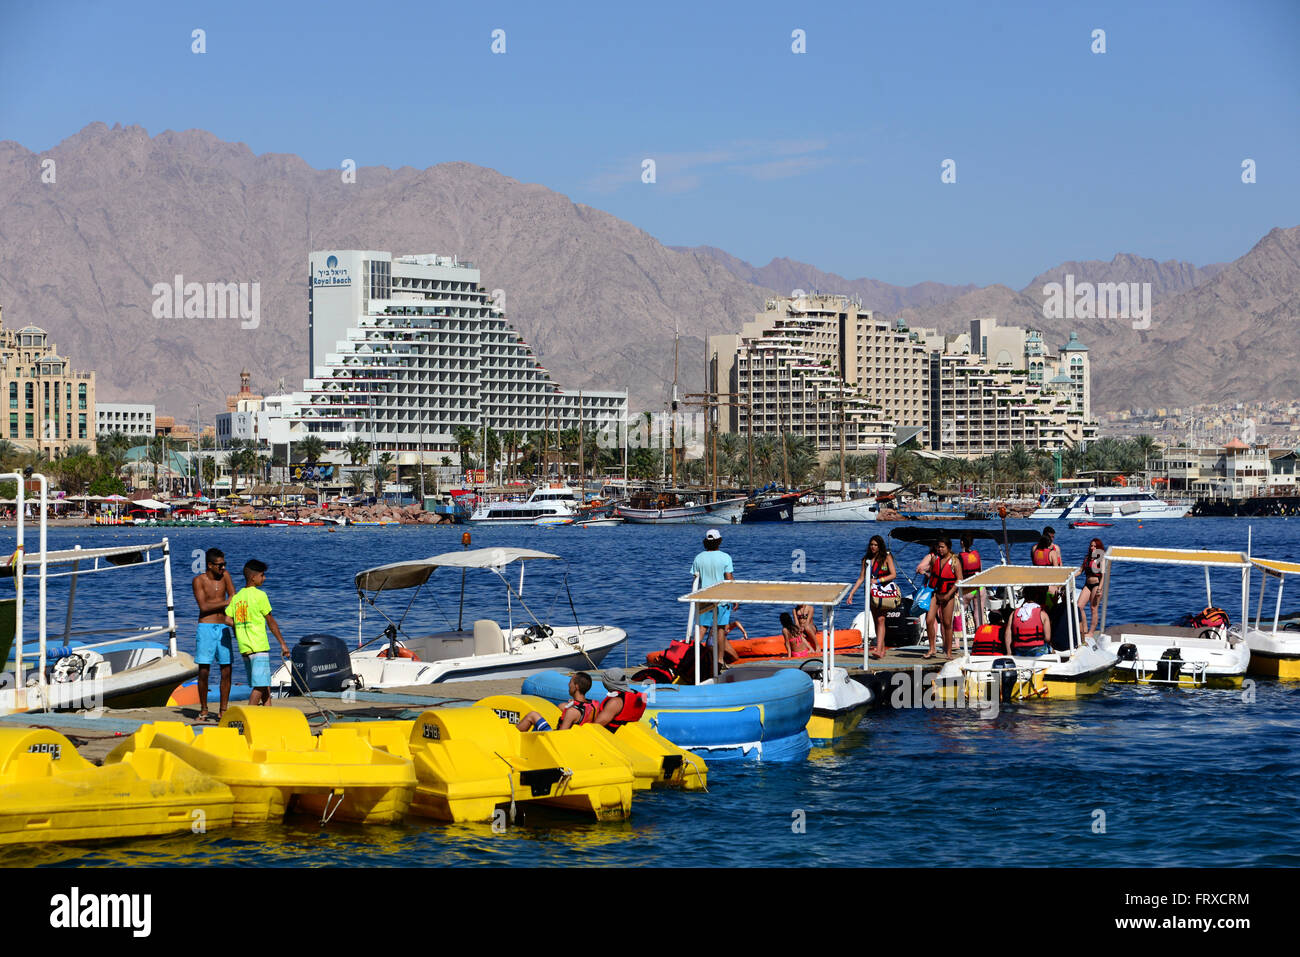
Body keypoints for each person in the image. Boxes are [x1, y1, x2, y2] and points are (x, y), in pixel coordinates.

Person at [225, 559, 290, 707]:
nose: (264, 578)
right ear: (253, 577)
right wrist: (283, 644)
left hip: (245, 648)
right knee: (259, 686)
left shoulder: (237, 597)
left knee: (263, 683)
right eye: (262, 575)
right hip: (258, 646)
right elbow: (271, 621)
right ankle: (249, 716)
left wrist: (241, 626)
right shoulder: (260, 596)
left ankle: (268, 714)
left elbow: (227, 619)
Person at [191, 548, 236, 722]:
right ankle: (203, 709)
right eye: (219, 565)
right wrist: (225, 602)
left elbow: (233, 595)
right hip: (206, 627)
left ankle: (223, 710)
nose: (223, 567)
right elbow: (203, 607)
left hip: (223, 627)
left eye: (224, 564)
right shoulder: (198, 580)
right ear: (210, 565)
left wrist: (230, 615)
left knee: (227, 668)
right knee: (204, 670)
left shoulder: (226, 576)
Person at [846, 534, 897, 660]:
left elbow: (893, 574)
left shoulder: (886, 557)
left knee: (881, 619)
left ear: (880, 546)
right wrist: (851, 593)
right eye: (871, 545)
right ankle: (882, 648)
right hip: (870, 593)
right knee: (876, 620)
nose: (873, 547)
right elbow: (861, 577)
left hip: (883, 592)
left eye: (875, 545)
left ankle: (879, 649)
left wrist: (879, 580)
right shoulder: (866, 560)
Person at [691, 529, 737, 665]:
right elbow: (729, 579)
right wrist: (734, 597)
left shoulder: (698, 558)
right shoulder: (725, 557)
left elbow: (695, 578)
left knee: (701, 628)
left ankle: (693, 657)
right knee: (720, 629)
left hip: (704, 597)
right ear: (719, 541)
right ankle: (720, 660)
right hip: (721, 599)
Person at [924, 537, 962, 659]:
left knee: (947, 623)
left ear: (948, 547)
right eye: (938, 547)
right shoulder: (935, 559)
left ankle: (949, 651)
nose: (939, 549)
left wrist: (948, 594)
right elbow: (932, 574)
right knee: (929, 620)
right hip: (935, 593)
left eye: (942, 547)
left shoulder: (955, 561)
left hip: (948, 594)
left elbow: (959, 579)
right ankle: (932, 649)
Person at [518, 672, 595, 731]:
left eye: (570, 682)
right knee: (562, 706)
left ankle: (511, 738)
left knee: (533, 715)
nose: (568, 684)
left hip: (556, 741)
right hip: (579, 737)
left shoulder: (572, 712)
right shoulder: (593, 704)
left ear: (576, 687)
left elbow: (561, 736)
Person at [1004, 586, 1052, 656]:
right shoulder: (1043, 614)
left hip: (1019, 650)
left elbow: (1007, 634)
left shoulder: (1014, 613)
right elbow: (1047, 638)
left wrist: (1009, 652)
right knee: (1051, 649)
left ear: (1024, 596)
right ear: (1037, 596)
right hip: (1038, 650)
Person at [1077, 537, 1105, 636]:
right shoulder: (1087, 558)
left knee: (1094, 608)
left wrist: (1100, 589)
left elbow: (1102, 576)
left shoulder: (1101, 558)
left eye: (1095, 546)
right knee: (1079, 606)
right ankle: (1084, 629)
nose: (1092, 547)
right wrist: (1070, 575)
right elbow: (1080, 571)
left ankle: (1091, 632)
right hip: (1087, 584)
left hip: (1096, 585)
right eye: (1091, 545)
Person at [957, 531, 985, 628]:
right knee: (979, 613)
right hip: (980, 587)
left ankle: (959, 636)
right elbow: (980, 570)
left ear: (962, 543)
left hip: (968, 588)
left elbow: (958, 575)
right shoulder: (977, 554)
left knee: (960, 612)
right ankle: (979, 635)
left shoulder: (959, 557)